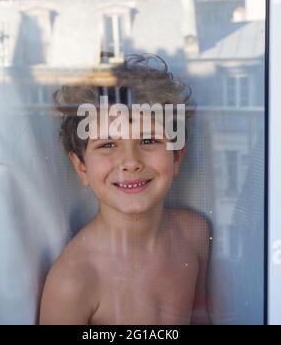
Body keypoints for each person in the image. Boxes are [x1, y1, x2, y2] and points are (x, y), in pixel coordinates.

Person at [39, 54, 210, 325]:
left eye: (148, 139)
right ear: (81, 166)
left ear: (176, 156)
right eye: (107, 144)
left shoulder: (194, 233)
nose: (130, 162)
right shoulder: (74, 281)